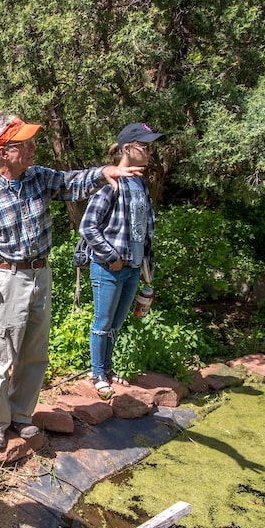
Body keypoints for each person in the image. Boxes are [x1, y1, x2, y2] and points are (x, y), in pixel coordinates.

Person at [0, 113, 144, 452]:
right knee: (1, 356)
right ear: (5, 151)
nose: (34, 147)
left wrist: (103, 173)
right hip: (4, 279)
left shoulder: (37, 178)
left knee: (34, 354)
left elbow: (70, 183)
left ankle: (22, 416)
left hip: (41, 274)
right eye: (26, 143)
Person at [80, 122, 162, 398]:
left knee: (116, 323)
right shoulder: (110, 182)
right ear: (128, 148)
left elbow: (144, 228)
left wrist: (145, 264)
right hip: (110, 268)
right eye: (145, 146)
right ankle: (96, 373)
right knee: (103, 322)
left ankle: (108, 369)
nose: (150, 152)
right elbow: (88, 226)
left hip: (134, 266)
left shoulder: (140, 182)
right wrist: (111, 257)